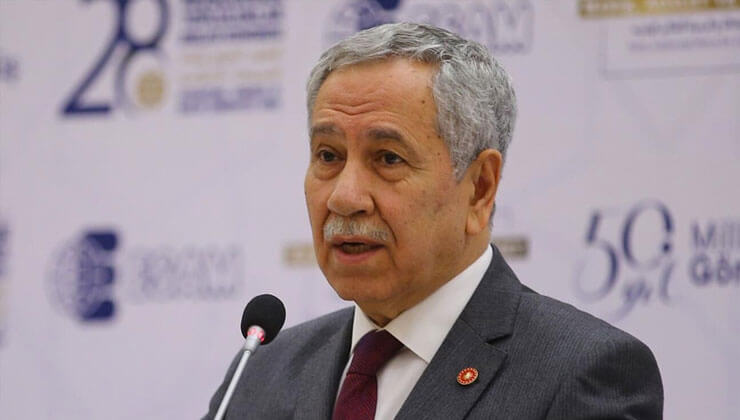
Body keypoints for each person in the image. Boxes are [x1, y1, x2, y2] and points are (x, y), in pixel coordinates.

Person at [204, 22, 663, 419]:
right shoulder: (262, 372)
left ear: (480, 187)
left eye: (388, 158)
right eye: (328, 155)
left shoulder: (581, 374)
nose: (345, 197)